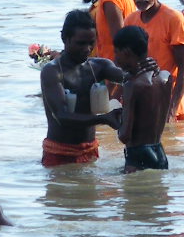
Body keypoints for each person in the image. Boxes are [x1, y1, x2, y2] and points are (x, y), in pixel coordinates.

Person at [39, 9, 124, 166]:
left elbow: (128, 77)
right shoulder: (52, 71)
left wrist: (144, 68)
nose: (87, 49)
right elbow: (62, 116)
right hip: (59, 152)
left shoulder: (100, 66)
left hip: (90, 150)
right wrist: (104, 119)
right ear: (65, 39)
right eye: (81, 43)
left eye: (91, 43)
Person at [124, 0, 184, 122]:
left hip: (167, 104)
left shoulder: (173, 18)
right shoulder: (130, 21)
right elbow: (126, 66)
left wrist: (172, 109)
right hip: (141, 103)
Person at [111, 25, 173, 172]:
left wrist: (114, 119)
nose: (114, 58)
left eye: (116, 52)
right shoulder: (165, 77)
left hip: (137, 157)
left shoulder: (132, 86)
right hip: (159, 152)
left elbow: (124, 136)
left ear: (126, 52)